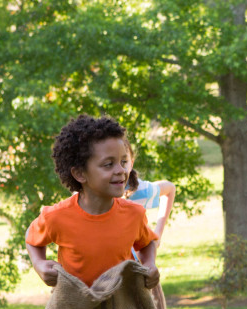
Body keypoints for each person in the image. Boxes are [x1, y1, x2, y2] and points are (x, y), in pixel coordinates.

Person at [25, 115, 160, 289]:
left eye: (123, 161)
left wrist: (149, 263)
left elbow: (147, 242)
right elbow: (32, 238)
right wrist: (39, 264)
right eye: (108, 164)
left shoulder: (135, 214)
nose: (121, 170)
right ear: (80, 174)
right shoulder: (56, 217)